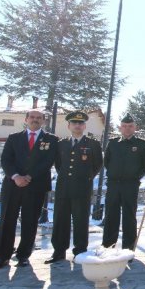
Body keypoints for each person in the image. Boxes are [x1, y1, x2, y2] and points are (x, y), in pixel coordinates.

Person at [0, 109, 58, 269]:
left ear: (44, 121)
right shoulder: (14, 138)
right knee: (7, 219)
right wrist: (16, 176)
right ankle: (3, 255)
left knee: (30, 221)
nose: (35, 120)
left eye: (39, 118)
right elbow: (6, 159)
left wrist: (29, 176)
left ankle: (23, 255)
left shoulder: (51, 139)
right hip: (13, 184)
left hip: (35, 185)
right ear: (26, 119)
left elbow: (48, 161)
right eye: (32, 117)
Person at [46, 111, 103, 264]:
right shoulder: (61, 144)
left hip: (82, 188)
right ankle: (59, 251)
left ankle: (80, 251)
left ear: (84, 126)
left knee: (81, 220)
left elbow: (97, 164)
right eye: (74, 123)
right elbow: (59, 165)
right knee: (60, 219)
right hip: (64, 187)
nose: (77, 126)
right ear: (69, 126)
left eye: (80, 123)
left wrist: (85, 177)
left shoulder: (93, 144)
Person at [102, 114, 145, 251]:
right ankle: (107, 246)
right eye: (124, 126)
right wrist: (114, 174)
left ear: (135, 127)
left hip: (131, 185)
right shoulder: (113, 143)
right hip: (113, 184)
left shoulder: (141, 144)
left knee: (129, 216)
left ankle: (128, 247)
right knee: (111, 215)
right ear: (120, 128)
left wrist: (135, 177)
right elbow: (107, 162)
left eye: (130, 126)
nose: (127, 129)